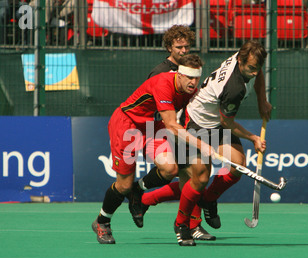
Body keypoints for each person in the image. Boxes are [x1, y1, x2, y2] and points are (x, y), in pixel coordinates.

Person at [137, 40, 272, 246]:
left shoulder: (244, 57)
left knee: (238, 166)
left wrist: (262, 101)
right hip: (195, 123)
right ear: (242, 62)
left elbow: (258, 73)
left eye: (257, 68)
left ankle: (208, 199)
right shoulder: (234, 87)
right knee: (198, 178)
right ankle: (180, 224)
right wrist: (253, 137)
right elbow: (228, 123)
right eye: (251, 69)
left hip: (215, 124)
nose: (255, 73)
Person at [92, 54, 213, 244]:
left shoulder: (191, 91)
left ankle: (138, 190)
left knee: (170, 169)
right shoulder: (163, 84)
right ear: (179, 74)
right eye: (189, 77)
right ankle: (102, 221)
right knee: (123, 185)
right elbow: (172, 125)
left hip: (151, 127)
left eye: (196, 77)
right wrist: (202, 145)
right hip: (127, 124)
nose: (193, 82)